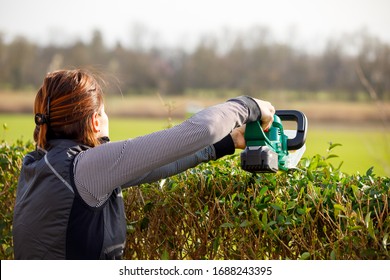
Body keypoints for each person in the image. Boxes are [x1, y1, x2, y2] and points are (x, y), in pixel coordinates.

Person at [13, 69, 275, 260]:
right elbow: (205, 128)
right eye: (104, 113)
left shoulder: (40, 164)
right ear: (95, 122)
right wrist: (249, 105)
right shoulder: (86, 167)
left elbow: (155, 165)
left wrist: (228, 143)